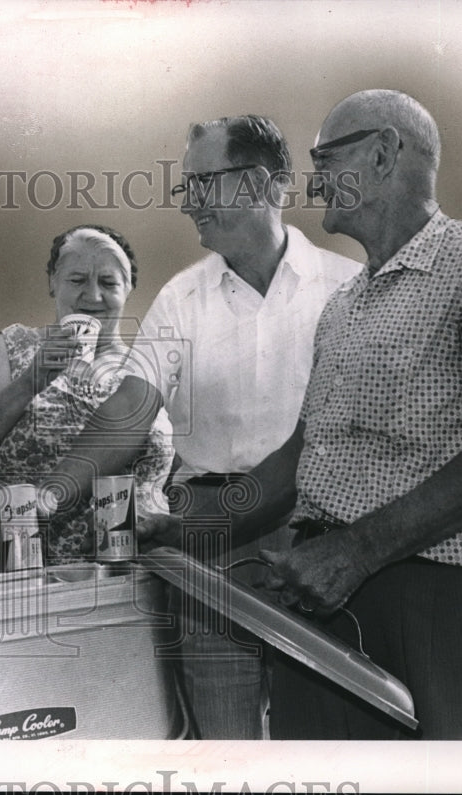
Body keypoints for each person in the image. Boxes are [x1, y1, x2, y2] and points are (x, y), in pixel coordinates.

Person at [139, 90, 462, 740]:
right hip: (319, 601)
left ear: (382, 152)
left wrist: (355, 550)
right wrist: (178, 531)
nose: (311, 182)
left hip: (440, 601)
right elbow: (298, 463)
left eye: (324, 159)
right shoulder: (345, 303)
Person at [41, 116, 361, 739]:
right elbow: (128, 412)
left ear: (261, 184)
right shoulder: (181, 297)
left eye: (201, 183)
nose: (188, 203)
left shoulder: (348, 286)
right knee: (223, 741)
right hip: (204, 537)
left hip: (323, 534)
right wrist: (50, 492)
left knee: (322, 736)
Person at [0, 224, 173, 575]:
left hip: (128, 572)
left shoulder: (149, 369)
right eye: (77, 280)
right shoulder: (14, 346)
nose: (93, 296)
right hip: (16, 567)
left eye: (109, 283)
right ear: (52, 281)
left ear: (129, 288)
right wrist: (31, 381)